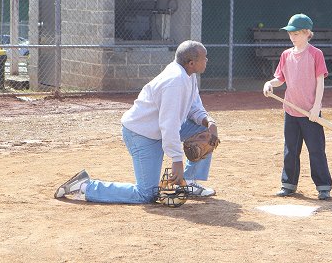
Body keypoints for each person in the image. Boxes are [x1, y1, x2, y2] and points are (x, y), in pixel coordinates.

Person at [54, 40, 218, 203]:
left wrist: (208, 121)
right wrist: (176, 160)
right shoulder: (174, 81)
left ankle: (188, 182)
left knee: (204, 131)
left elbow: (193, 107)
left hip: (157, 129)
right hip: (141, 134)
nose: (207, 60)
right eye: (204, 57)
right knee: (146, 194)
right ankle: (84, 187)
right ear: (191, 63)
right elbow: (169, 124)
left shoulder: (188, 76)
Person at [262, 13, 332, 200]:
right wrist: (270, 83)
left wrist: (316, 107)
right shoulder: (286, 55)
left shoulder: (316, 54)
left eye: (296, 33)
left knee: (316, 149)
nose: (292, 37)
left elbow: (320, 82)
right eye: (290, 33)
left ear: (307, 33)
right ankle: (288, 184)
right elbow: (280, 78)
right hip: (291, 110)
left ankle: (323, 186)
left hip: (310, 112)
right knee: (291, 149)